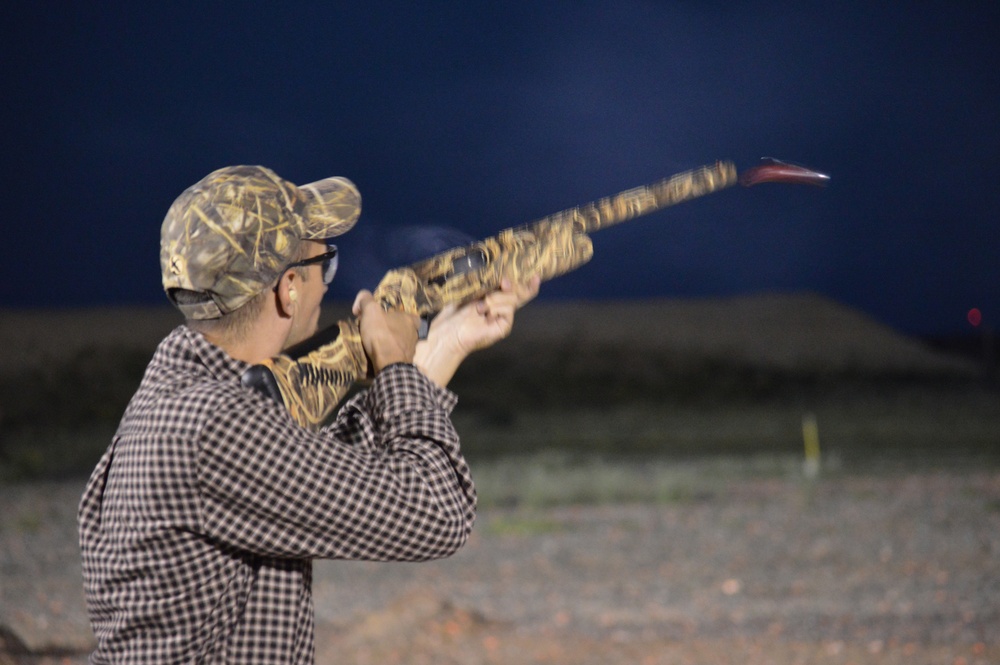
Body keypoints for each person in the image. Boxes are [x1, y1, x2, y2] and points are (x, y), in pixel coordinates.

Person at [78, 165, 539, 664]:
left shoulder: (187, 400)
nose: (327, 286)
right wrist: (392, 361)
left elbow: (333, 481)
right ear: (289, 287)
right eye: (327, 264)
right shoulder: (213, 424)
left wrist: (445, 344)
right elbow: (437, 513)